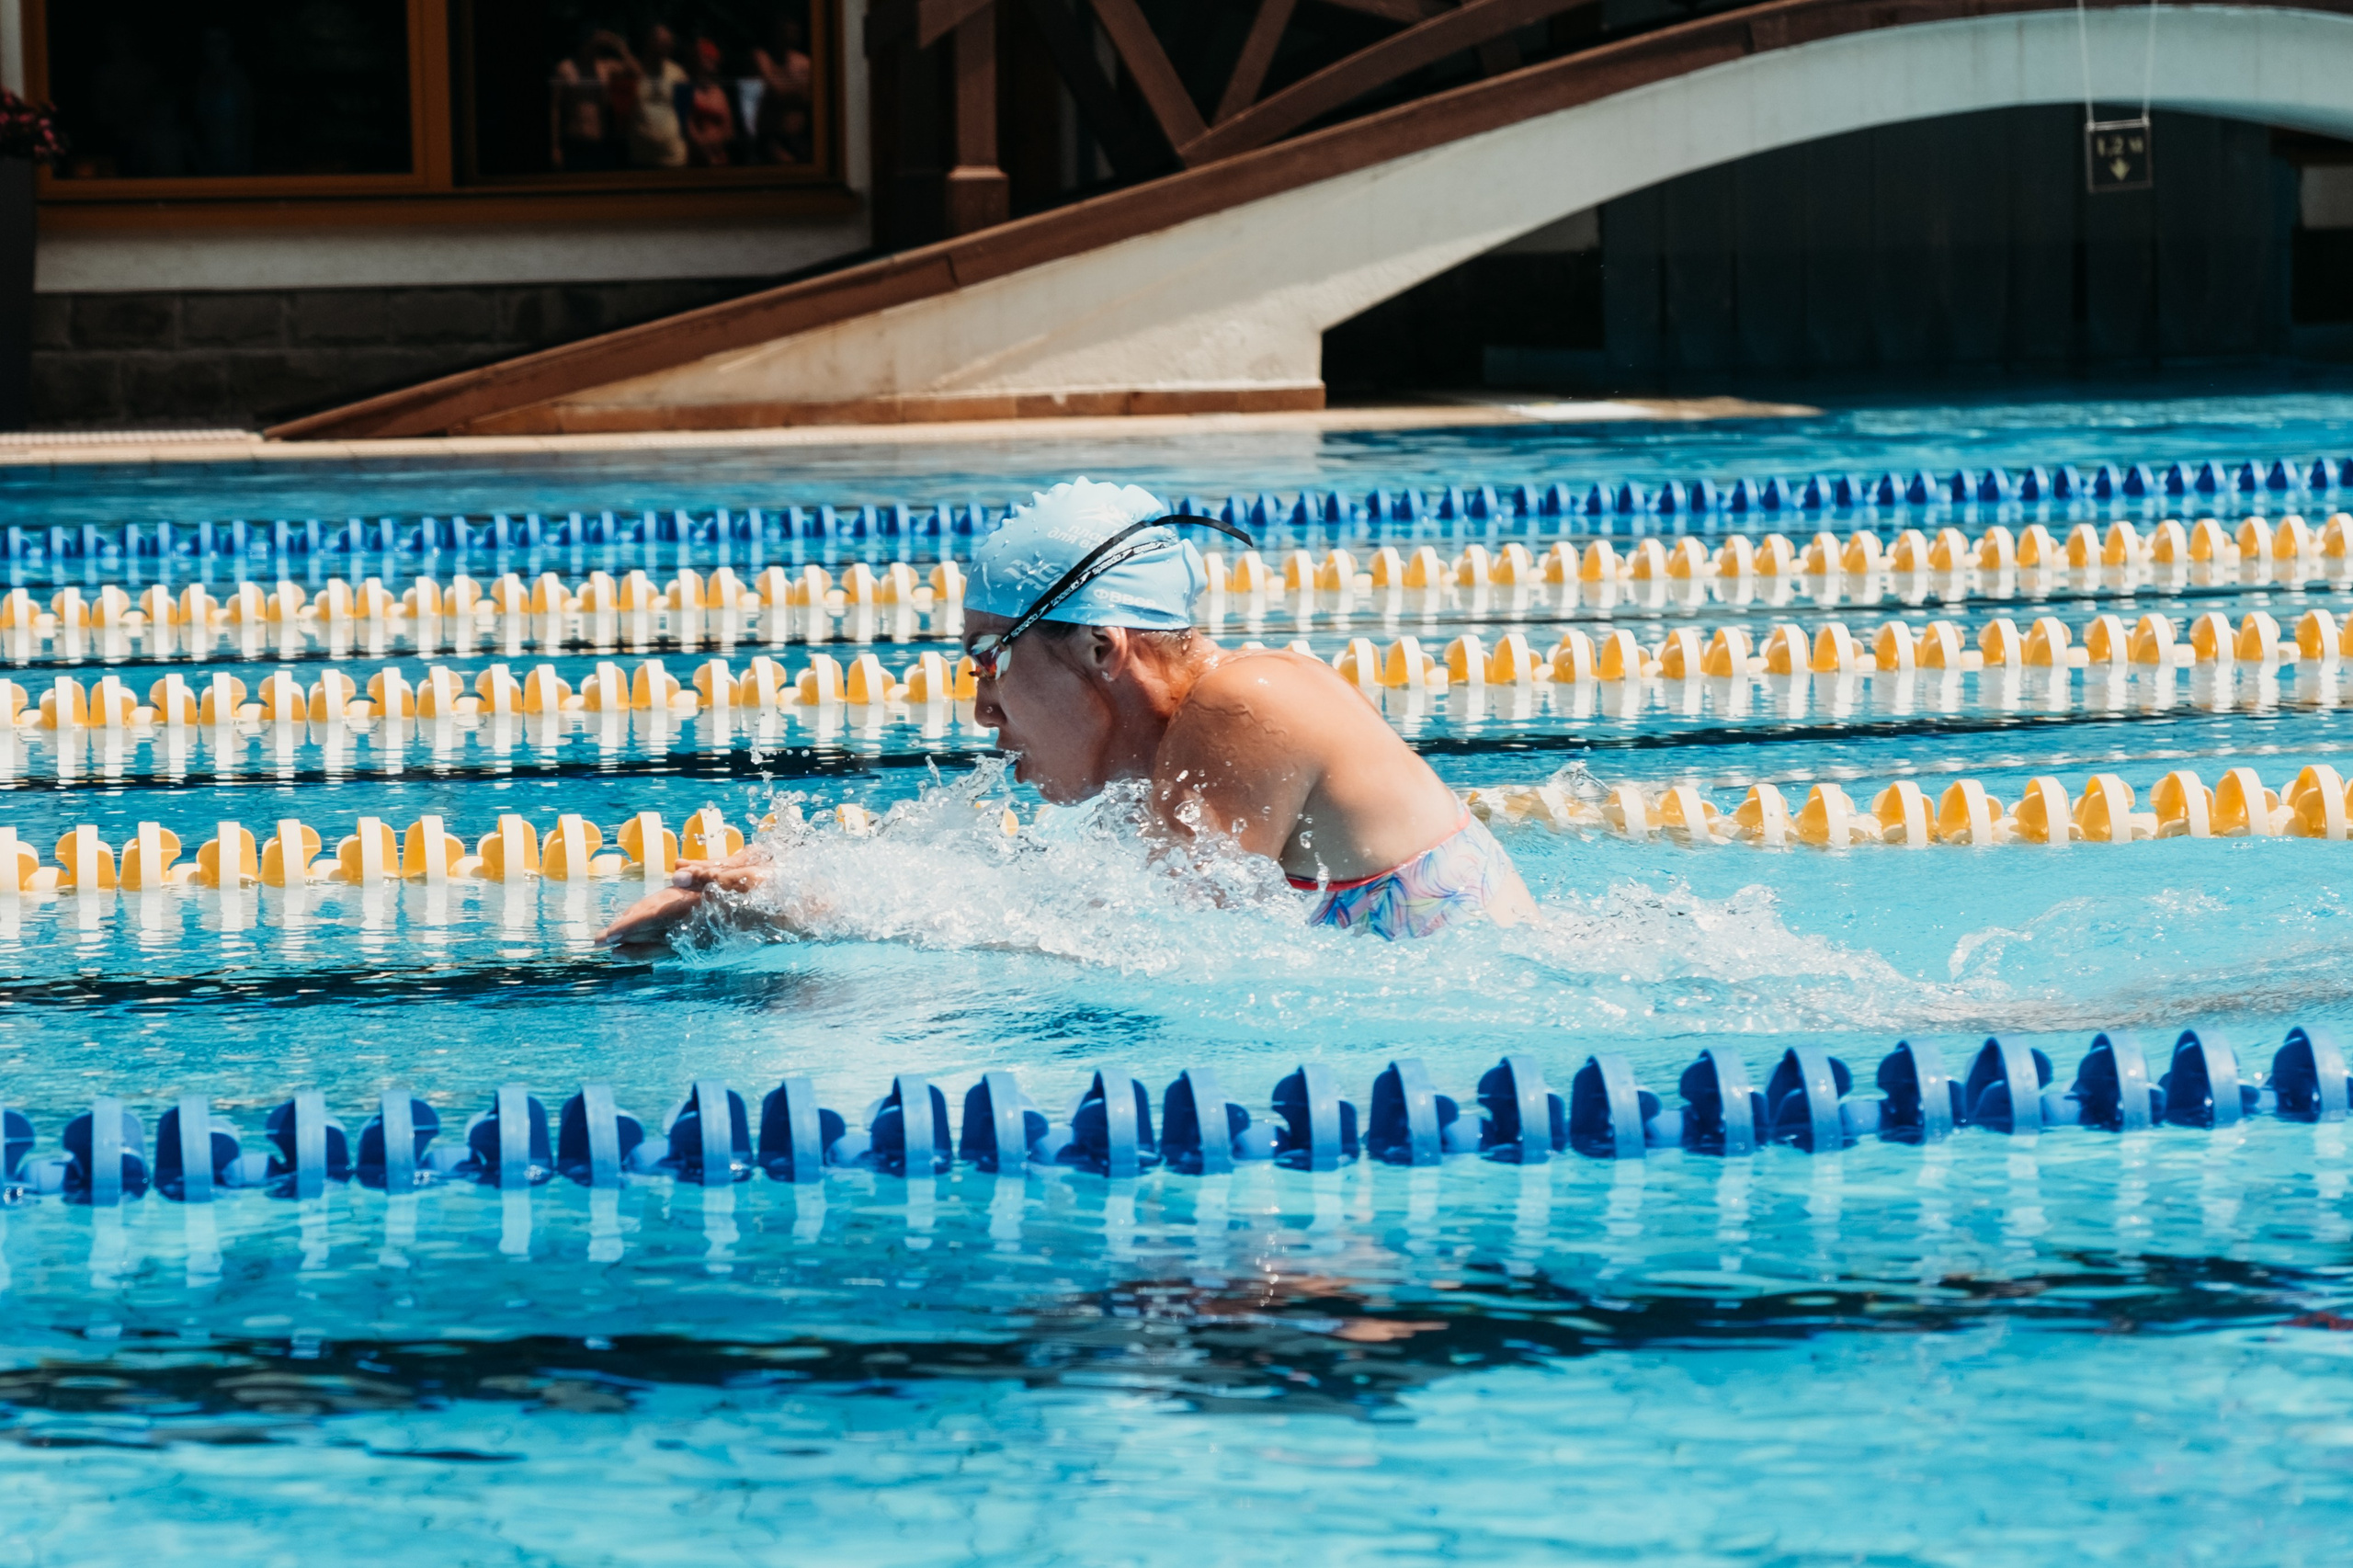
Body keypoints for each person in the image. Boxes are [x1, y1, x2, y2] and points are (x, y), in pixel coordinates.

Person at [598, 480, 1538, 954]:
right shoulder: (1182, 759)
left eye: (987, 658)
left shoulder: (1244, 703)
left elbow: (1153, 949)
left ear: (1100, 649)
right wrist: (808, 879)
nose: (979, 708)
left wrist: (805, 911)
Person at [625, 23, 688, 168]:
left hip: (674, 158)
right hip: (641, 158)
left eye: (669, 42)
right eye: (662, 42)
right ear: (650, 43)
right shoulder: (633, 72)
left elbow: (686, 113)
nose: (667, 46)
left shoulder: (678, 74)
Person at [682, 37, 735, 166]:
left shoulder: (719, 94)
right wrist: (706, 154)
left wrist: (716, 151)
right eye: (705, 56)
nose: (710, 60)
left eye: (712, 57)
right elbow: (687, 127)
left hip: (720, 157)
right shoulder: (687, 90)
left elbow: (729, 130)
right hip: (695, 160)